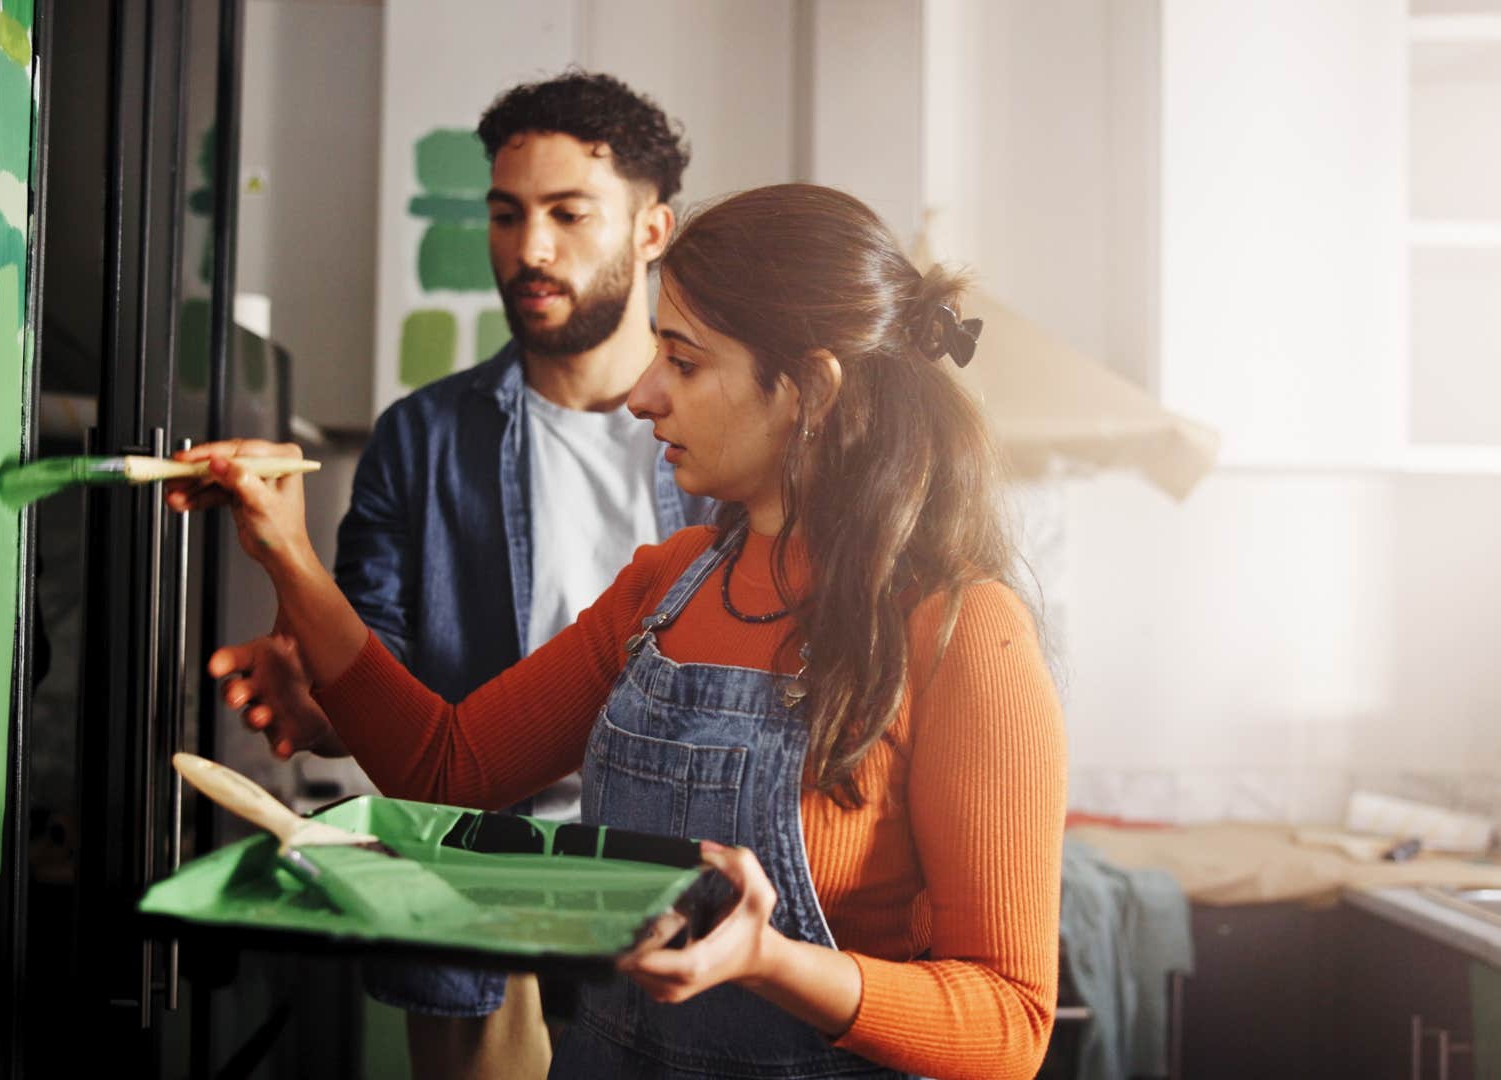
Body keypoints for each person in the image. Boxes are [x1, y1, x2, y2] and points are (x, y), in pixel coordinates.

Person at [171, 184, 1066, 1079]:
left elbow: (1012, 1022)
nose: (643, 396)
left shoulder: (962, 633)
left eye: (683, 361)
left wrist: (773, 963)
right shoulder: (665, 585)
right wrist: (287, 553)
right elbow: (446, 767)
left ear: (811, 391)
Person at [227, 71, 710, 1078]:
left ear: (652, 231)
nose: (529, 250)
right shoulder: (422, 438)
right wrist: (317, 698)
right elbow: (374, 670)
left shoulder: (715, 444)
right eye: (506, 214)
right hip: (473, 894)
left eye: (569, 214)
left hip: (676, 897)